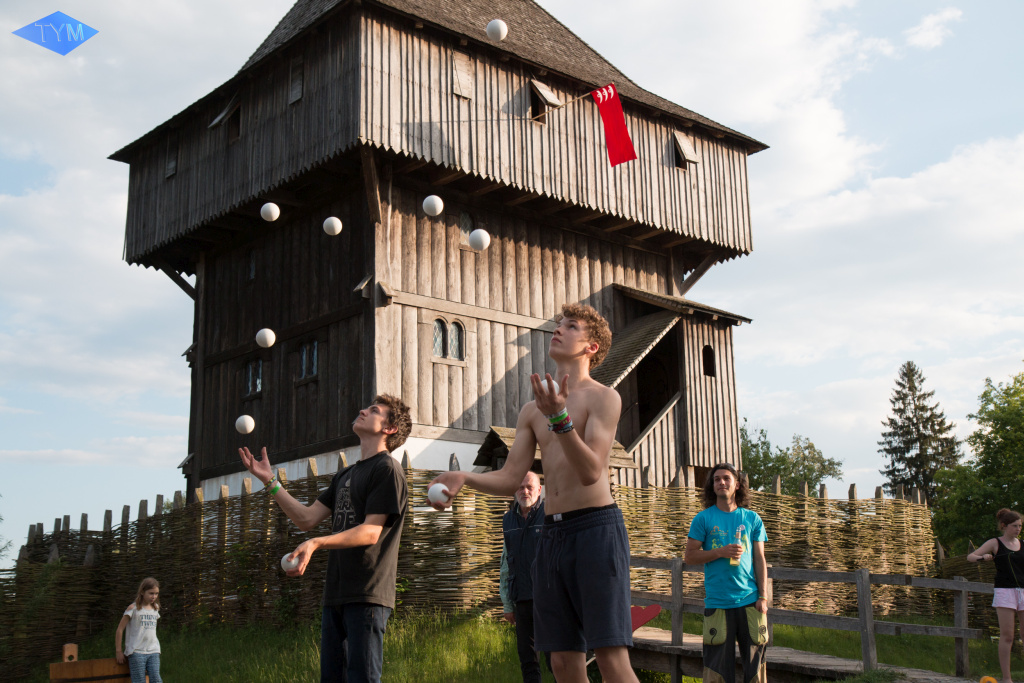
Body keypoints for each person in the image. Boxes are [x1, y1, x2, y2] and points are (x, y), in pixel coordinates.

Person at [430, 302, 638, 683]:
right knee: (561, 662)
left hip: (595, 531)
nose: (558, 329)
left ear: (591, 347)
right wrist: (464, 478)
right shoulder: (531, 409)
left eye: (571, 326)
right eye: (558, 324)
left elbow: (592, 471)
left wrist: (559, 418)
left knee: (610, 659)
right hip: (551, 534)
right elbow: (512, 478)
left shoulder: (604, 398)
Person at [238, 394, 412, 683]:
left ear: (389, 428)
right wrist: (269, 481)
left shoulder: (387, 470)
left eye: (374, 410)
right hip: (336, 594)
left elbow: (371, 531)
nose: (363, 410)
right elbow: (306, 519)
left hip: (368, 594)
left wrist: (317, 543)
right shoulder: (345, 475)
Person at [685, 463, 768, 683]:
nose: (721, 482)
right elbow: (690, 556)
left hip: (750, 602)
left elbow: (760, 559)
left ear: (737, 485)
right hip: (718, 603)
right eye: (717, 479)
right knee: (717, 672)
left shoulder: (752, 519)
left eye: (727, 478)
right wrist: (720, 552)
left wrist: (763, 596)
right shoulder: (703, 519)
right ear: (712, 486)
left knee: (756, 671)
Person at [500, 471, 548, 683]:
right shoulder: (508, 520)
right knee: (528, 661)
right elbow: (505, 564)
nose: (524, 491)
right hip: (522, 600)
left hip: (549, 600)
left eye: (529, 487)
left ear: (539, 490)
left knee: (558, 659)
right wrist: (507, 603)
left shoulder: (549, 514)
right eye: (520, 487)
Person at [968, 508, 1024, 683]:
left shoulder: (1023, 544)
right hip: (1005, 592)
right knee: (1008, 636)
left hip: (1023, 591)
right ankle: (1007, 679)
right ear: (1004, 526)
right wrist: (983, 557)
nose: (1018, 529)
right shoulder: (995, 543)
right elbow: (970, 556)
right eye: (1015, 526)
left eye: (1020, 526)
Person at [115, 577, 162, 683]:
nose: (154, 596)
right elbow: (120, 629)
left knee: (156, 679)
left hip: (153, 650)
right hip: (136, 652)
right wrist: (118, 651)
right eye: (151, 593)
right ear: (142, 592)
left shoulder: (155, 608)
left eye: (156, 593)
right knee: (139, 680)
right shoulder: (133, 609)